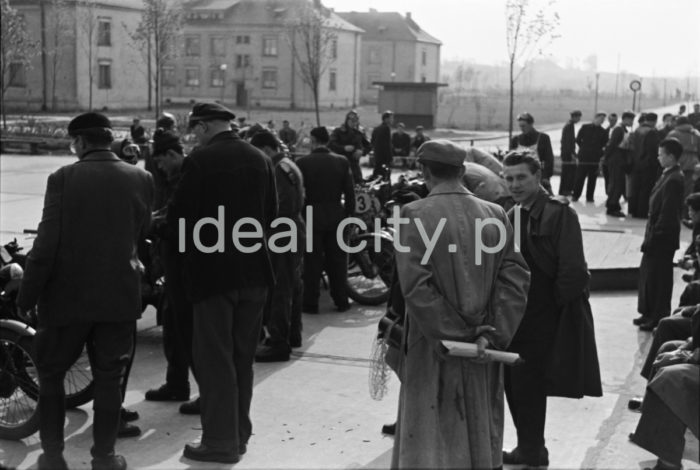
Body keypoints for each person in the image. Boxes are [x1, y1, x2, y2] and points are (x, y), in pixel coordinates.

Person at [16, 112, 154, 470]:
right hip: (119, 297)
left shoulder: (63, 178)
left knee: (51, 376)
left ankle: (53, 457)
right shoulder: (142, 178)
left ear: (78, 142)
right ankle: (105, 458)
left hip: (67, 299)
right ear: (109, 140)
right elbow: (140, 234)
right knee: (110, 379)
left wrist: (25, 296)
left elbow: (45, 246)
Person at [392, 140, 530, 469]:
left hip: (433, 347)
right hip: (484, 349)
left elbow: (416, 287)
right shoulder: (496, 214)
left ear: (424, 171)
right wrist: (489, 335)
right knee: (479, 437)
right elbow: (516, 279)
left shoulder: (412, 215)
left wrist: (454, 336)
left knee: (431, 439)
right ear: (463, 171)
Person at [169, 102, 277, 464]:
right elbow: (271, 215)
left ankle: (219, 442)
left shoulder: (200, 160)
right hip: (255, 274)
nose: (191, 134)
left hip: (214, 276)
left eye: (193, 127)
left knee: (214, 361)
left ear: (202, 127)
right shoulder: (259, 158)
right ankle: (238, 435)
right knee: (241, 360)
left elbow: (180, 221)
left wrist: (180, 266)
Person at [502, 152, 602, 467]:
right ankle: (528, 447)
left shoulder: (560, 214)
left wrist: (549, 309)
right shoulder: (511, 213)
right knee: (513, 383)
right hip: (515, 314)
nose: (514, 184)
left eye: (521, 177)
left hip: (542, 313)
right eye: (509, 178)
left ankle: (533, 451)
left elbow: (574, 273)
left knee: (529, 385)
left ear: (538, 177)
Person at [145, 129, 200, 415]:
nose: (160, 168)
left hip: (188, 265)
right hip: (174, 267)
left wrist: (152, 225)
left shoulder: (193, 176)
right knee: (172, 324)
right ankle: (176, 383)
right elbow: (170, 210)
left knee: (190, 330)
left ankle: (208, 393)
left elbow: (181, 220)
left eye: (162, 162)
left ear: (172, 155)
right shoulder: (179, 177)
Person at [250, 130, 305, 362]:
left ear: (266, 149)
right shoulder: (287, 164)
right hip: (290, 228)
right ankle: (292, 334)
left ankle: (278, 341)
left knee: (280, 288)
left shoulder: (278, 169)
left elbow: (281, 205)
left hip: (282, 231)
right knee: (291, 284)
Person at [296, 126, 355, 313]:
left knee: (312, 262)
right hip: (336, 214)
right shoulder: (341, 161)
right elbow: (350, 193)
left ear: (313, 140)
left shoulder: (303, 162)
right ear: (328, 140)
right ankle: (341, 301)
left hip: (312, 215)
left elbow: (298, 194)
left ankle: (310, 303)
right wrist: (349, 217)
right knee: (337, 261)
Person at [634, 138, 685, 332]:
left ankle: (657, 315)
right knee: (649, 276)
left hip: (661, 238)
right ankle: (647, 312)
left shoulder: (674, 179)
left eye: (661, 154)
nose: (658, 157)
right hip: (655, 234)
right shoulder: (668, 175)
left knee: (659, 279)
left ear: (671, 156)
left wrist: (655, 237)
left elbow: (668, 213)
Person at [509, 112, 554, 193]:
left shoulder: (543, 138)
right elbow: (510, 161)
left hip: (538, 177)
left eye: (524, 126)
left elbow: (549, 159)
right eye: (520, 126)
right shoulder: (516, 140)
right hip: (520, 177)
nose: (522, 128)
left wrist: (546, 176)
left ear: (531, 124)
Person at [628, 113, 662, 218]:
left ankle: (633, 210)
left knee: (635, 188)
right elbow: (653, 150)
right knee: (645, 189)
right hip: (647, 164)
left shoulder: (637, 130)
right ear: (655, 121)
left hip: (636, 163)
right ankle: (642, 212)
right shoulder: (652, 132)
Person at [572, 112, 609, 202]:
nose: (602, 121)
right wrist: (584, 148)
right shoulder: (585, 127)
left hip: (595, 158)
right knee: (580, 177)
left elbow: (605, 144)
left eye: (603, 120)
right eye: (600, 119)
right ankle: (576, 195)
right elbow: (577, 140)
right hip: (584, 157)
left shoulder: (603, 131)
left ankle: (590, 197)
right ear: (595, 118)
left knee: (593, 179)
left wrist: (599, 152)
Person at [605, 111, 635, 217]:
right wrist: (606, 159)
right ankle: (612, 207)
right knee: (616, 184)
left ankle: (614, 205)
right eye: (631, 120)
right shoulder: (619, 129)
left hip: (620, 161)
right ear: (625, 119)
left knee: (619, 184)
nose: (632, 122)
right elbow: (611, 145)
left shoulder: (623, 129)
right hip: (616, 161)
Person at [329, 110, 370, 184]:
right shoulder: (338, 131)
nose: (353, 123)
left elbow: (369, 145)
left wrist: (362, 151)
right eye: (351, 121)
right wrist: (343, 148)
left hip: (355, 166)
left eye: (355, 121)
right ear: (347, 120)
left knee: (358, 185)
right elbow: (331, 144)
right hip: (340, 164)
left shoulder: (359, 132)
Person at [667, 116, 700, 200]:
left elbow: (666, 148)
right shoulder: (696, 134)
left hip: (676, 162)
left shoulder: (673, 133)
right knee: (688, 190)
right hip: (692, 164)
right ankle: (686, 210)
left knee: (673, 188)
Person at [558, 110, 581, 196]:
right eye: (578, 117)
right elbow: (568, 142)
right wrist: (572, 154)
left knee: (569, 172)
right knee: (568, 172)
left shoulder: (569, 125)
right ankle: (565, 189)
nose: (579, 119)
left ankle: (566, 189)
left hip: (566, 152)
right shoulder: (569, 126)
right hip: (567, 153)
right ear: (575, 117)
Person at [371, 110, 394, 180]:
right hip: (384, 158)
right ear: (386, 119)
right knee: (385, 177)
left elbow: (372, 142)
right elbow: (387, 145)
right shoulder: (386, 128)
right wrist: (390, 158)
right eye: (391, 118)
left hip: (377, 156)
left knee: (376, 175)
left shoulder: (376, 128)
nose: (392, 120)